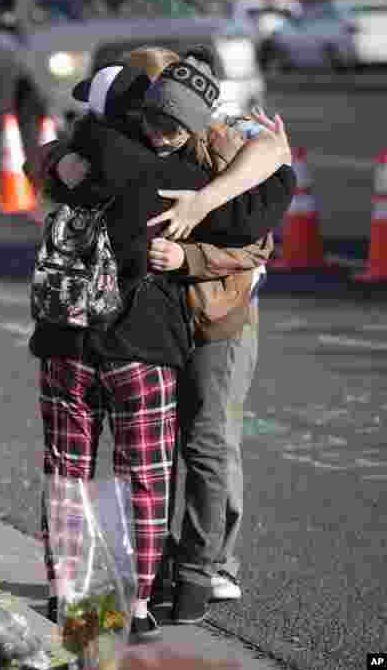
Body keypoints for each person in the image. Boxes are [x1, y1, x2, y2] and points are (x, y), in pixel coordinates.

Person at [31, 53, 294, 640]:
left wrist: (59, 155)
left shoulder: (80, 157)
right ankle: (139, 598)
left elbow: (46, 158)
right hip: (144, 349)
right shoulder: (186, 182)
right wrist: (273, 161)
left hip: (66, 339)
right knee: (145, 476)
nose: (161, 132)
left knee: (67, 469)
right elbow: (261, 212)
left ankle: (67, 592)